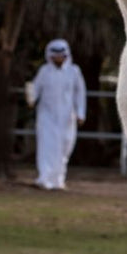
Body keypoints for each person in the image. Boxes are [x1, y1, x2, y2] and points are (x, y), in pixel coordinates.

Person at [26, 39, 86, 190]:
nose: (58, 58)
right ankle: (44, 179)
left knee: (65, 147)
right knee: (47, 147)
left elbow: (80, 93)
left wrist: (80, 113)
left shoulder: (74, 71)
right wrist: (31, 98)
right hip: (47, 116)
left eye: (61, 55)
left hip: (67, 117)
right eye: (55, 55)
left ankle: (58, 180)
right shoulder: (44, 71)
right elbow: (35, 88)